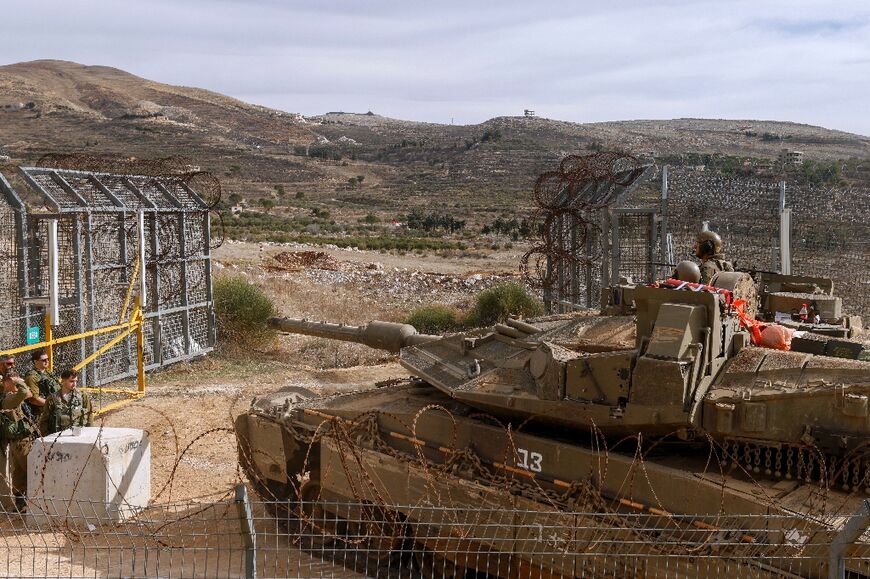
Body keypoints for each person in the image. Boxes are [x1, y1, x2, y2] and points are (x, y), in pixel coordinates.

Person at [1, 370, 38, 512]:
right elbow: (24, 392)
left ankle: (21, 504)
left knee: (19, 473)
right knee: (31, 469)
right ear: (7, 382)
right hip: (21, 441)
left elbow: (27, 394)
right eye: (13, 380)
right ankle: (31, 502)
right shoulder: (8, 399)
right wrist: (19, 381)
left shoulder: (11, 397)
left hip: (19, 441)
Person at [39, 368, 93, 436]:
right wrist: (47, 437)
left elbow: (90, 414)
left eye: (76, 381)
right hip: (58, 437)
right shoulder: (52, 399)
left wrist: (89, 433)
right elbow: (44, 420)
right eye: (71, 381)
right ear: (63, 381)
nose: (74, 384)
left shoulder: (82, 396)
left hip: (78, 436)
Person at [24, 349, 57, 416]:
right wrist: (54, 405)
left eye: (48, 359)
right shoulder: (32, 377)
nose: (47, 361)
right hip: (41, 413)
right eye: (44, 360)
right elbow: (34, 399)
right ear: (35, 361)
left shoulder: (48, 373)